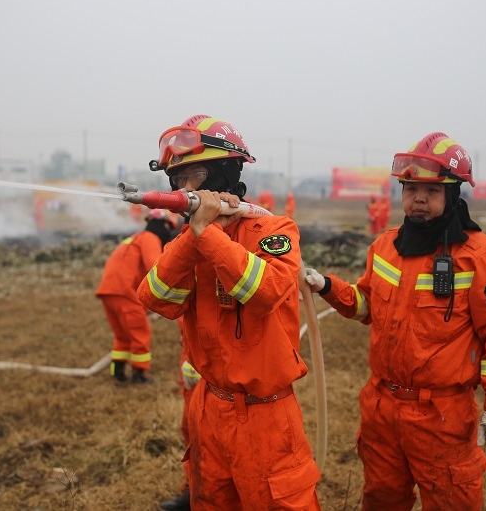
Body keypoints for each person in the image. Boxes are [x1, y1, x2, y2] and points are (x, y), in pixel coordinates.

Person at [304, 132, 486, 510]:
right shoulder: (386, 246)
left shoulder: (479, 256)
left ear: (453, 195)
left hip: (442, 417)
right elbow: (366, 305)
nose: (418, 199)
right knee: (382, 499)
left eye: (431, 191)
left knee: (452, 502)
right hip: (382, 409)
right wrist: (327, 286)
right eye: (410, 189)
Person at [137, 114, 321, 510]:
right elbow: (155, 298)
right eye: (177, 180)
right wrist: (197, 235)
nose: (185, 189)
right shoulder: (188, 241)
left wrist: (209, 234)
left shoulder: (274, 231)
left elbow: (266, 292)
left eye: (196, 175)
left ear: (225, 171)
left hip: (265, 415)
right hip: (208, 409)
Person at [95, 208, 179, 384]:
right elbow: (155, 267)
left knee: (122, 334)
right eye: (168, 227)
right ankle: (140, 374)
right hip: (124, 291)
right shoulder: (150, 238)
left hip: (109, 291)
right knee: (140, 332)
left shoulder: (136, 238)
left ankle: (117, 372)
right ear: (162, 224)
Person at [159, 318, 200, 511]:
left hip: (211, 361)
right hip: (193, 354)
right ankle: (194, 491)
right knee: (193, 433)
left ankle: (198, 493)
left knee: (205, 437)